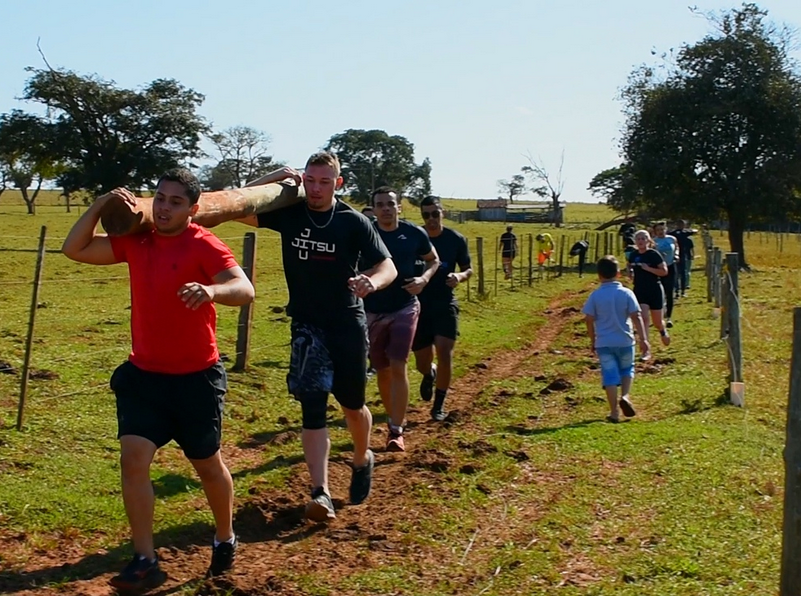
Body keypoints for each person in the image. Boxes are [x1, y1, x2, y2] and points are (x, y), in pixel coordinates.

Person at [61, 169, 255, 592]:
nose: (165, 207)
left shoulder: (204, 244)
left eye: (175, 201)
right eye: (160, 198)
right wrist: (100, 205)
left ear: (193, 209)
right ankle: (145, 557)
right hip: (144, 376)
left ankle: (224, 535)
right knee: (133, 460)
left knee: (206, 465)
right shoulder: (137, 240)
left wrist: (212, 291)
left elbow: (245, 289)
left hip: (196, 379)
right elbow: (72, 248)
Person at [238, 152, 397, 522]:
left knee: (352, 405)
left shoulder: (353, 222)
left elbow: (387, 264)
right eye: (310, 180)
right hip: (306, 326)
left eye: (324, 182)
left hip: (346, 324)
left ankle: (361, 458)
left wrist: (372, 281)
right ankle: (320, 492)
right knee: (312, 407)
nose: (315, 188)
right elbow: (238, 206)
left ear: (338, 184)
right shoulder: (290, 213)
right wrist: (275, 177)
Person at [364, 187, 440, 452]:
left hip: (405, 306)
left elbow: (434, 261)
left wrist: (424, 279)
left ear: (399, 207)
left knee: (398, 364)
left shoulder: (414, 234)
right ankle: (392, 415)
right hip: (371, 310)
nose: (385, 208)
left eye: (390, 204)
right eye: (380, 204)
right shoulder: (365, 233)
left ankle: (396, 430)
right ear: (373, 209)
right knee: (382, 369)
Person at [412, 196, 473, 421]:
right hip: (418, 306)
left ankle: (439, 405)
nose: (431, 219)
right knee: (421, 361)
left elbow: (469, 269)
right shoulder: (415, 237)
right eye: (426, 215)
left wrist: (459, 276)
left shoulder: (455, 239)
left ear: (442, 213)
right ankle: (429, 374)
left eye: (434, 214)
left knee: (445, 353)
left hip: (445, 303)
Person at [582, 255, 649, 422]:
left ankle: (614, 412)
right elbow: (636, 316)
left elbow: (588, 319)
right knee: (627, 369)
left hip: (604, 342)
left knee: (609, 375)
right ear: (618, 273)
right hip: (625, 340)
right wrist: (643, 338)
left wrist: (592, 339)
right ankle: (625, 395)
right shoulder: (627, 293)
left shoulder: (595, 296)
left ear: (599, 275)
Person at [627, 229, 670, 358]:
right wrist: (630, 272)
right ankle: (646, 349)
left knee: (657, 322)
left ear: (648, 241)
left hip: (654, 289)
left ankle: (662, 331)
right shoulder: (633, 255)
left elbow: (664, 272)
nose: (640, 241)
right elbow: (629, 266)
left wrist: (648, 269)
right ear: (635, 241)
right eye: (638, 239)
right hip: (640, 290)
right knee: (643, 319)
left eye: (643, 238)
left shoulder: (654, 254)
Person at [652, 221, 679, 328]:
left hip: (671, 266)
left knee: (669, 291)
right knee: (660, 291)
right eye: (658, 230)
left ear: (665, 229)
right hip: (658, 268)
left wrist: (676, 255)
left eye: (662, 229)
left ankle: (669, 317)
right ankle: (660, 314)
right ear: (655, 232)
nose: (660, 232)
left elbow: (676, 248)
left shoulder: (671, 239)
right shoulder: (653, 242)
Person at [670, 219, 696, 296]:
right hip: (677, 255)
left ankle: (682, 290)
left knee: (682, 273)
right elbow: (694, 231)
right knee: (677, 273)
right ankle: (678, 290)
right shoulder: (680, 233)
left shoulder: (678, 233)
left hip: (682, 255)